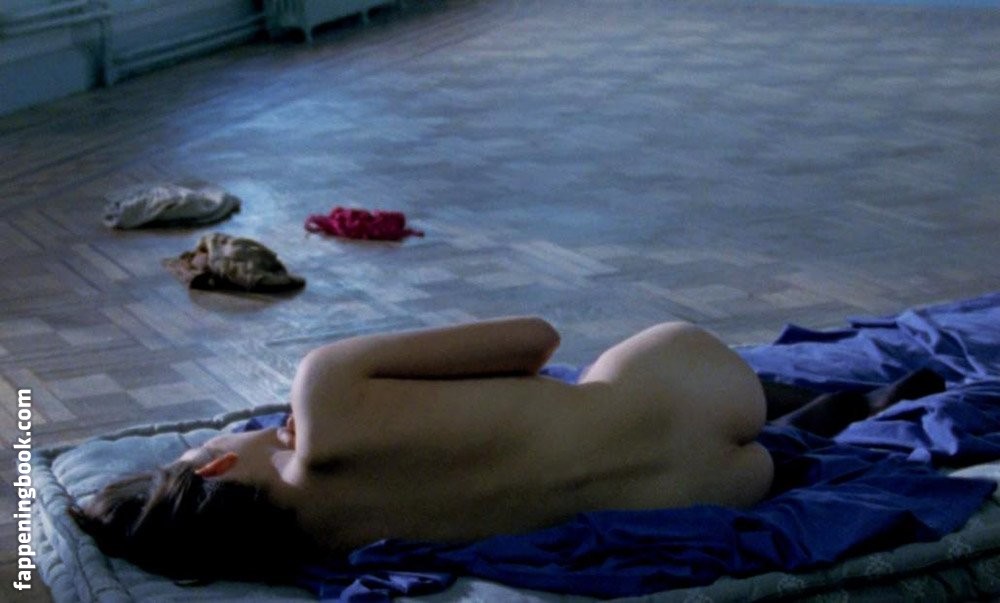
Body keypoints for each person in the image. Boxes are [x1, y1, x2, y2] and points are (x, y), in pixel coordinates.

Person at [70, 316, 842, 583]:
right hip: (696, 383)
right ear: (212, 464)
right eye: (213, 441)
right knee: (598, 383)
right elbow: (536, 340)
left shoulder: (329, 550)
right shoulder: (323, 387)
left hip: (712, 488)